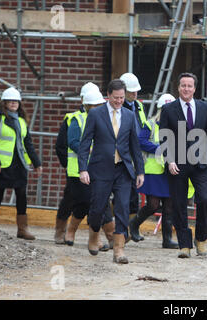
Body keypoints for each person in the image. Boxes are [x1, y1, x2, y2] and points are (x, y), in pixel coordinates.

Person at [78, 79, 145, 264]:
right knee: (98, 207)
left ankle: (119, 249)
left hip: (122, 170)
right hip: (100, 169)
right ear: (108, 96)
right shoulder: (96, 114)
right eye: (115, 98)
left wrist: (140, 171)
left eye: (122, 98)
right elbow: (85, 143)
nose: (119, 101)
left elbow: (134, 146)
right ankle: (93, 236)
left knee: (123, 207)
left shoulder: (129, 116)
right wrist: (83, 169)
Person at [159, 72, 207, 258]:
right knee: (179, 204)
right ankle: (184, 244)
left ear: (195, 88)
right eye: (183, 85)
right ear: (178, 87)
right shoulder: (168, 110)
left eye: (189, 86)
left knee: (204, 200)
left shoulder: (205, 108)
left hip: (200, 163)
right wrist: (170, 159)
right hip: (178, 163)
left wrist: (206, 155)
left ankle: (201, 239)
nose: (186, 89)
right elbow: (164, 137)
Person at [62, 89, 115, 251]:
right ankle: (71, 231)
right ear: (87, 105)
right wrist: (90, 150)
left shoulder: (105, 118)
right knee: (85, 203)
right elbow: (73, 142)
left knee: (101, 203)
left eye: (100, 105)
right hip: (79, 169)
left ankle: (107, 237)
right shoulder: (76, 119)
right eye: (95, 105)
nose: (98, 108)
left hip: (99, 168)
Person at [129, 93, 179, 249]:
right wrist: (159, 148)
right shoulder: (150, 124)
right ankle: (134, 225)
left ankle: (167, 239)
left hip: (169, 171)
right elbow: (140, 141)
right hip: (154, 171)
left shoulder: (177, 126)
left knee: (169, 206)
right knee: (153, 204)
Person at [0, 87, 42, 239]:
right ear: (4, 102)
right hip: (1, 164)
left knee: (21, 195)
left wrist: (37, 163)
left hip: (19, 164)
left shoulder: (21, 121)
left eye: (16, 101)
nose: (14, 103)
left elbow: (28, 143)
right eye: (11, 101)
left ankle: (22, 229)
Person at [54, 81, 100, 244]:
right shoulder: (74, 118)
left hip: (94, 168)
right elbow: (62, 145)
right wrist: (68, 165)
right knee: (72, 200)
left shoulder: (100, 117)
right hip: (76, 169)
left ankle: (84, 235)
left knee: (88, 201)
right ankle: (61, 231)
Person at [118, 72, 147, 231]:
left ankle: (129, 229)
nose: (135, 94)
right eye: (131, 91)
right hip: (122, 154)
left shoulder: (139, 106)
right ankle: (120, 227)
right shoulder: (118, 106)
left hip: (135, 153)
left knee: (133, 193)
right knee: (123, 193)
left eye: (136, 91)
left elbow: (142, 127)